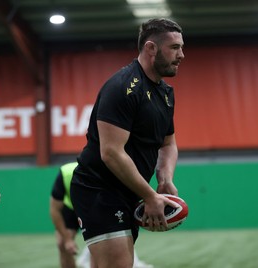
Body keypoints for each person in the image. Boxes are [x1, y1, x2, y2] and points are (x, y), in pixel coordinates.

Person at [70, 18, 185, 268]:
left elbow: (167, 144)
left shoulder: (165, 94)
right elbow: (110, 152)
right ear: (151, 48)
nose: (182, 55)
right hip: (99, 190)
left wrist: (165, 180)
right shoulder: (123, 87)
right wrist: (150, 196)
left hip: (128, 193)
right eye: (175, 47)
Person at [51, 162, 154, 268]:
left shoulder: (100, 172)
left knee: (100, 243)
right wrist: (68, 240)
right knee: (62, 243)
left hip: (93, 205)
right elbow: (54, 209)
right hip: (71, 208)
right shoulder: (65, 173)